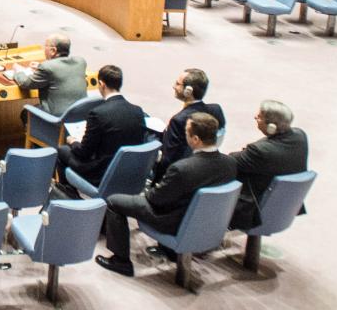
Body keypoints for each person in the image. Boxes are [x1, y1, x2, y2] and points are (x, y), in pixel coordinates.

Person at [95, 112, 236, 277]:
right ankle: (169, 251)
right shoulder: (230, 163)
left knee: (114, 202)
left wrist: (149, 191)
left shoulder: (183, 168)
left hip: (173, 219)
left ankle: (121, 261)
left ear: (196, 139)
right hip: (205, 220)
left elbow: (156, 199)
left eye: (187, 133)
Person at [57, 65, 147, 193]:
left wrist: (73, 141)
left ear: (101, 84)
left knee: (63, 151)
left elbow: (84, 153)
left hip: (101, 174)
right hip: (127, 172)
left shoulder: (98, 113)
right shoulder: (138, 111)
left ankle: (68, 195)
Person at [229, 100, 309, 230]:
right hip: (285, 206)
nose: (255, 117)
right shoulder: (300, 136)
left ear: (272, 127)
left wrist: (248, 151)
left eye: (260, 117)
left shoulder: (260, 151)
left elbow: (231, 160)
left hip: (254, 211)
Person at [155, 68, 226, 180]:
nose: (174, 86)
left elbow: (166, 161)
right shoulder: (215, 110)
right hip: (200, 168)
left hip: (175, 177)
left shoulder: (179, 120)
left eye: (178, 84)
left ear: (188, 91)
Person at [10, 33, 88, 115]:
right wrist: (40, 66)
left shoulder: (47, 67)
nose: (44, 49)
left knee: (25, 113)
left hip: (58, 117)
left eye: (45, 46)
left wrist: (18, 71)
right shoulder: (80, 61)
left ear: (53, 50)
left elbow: (26, 83)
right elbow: (63, 71)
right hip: (80, 113)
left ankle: (46, 127)